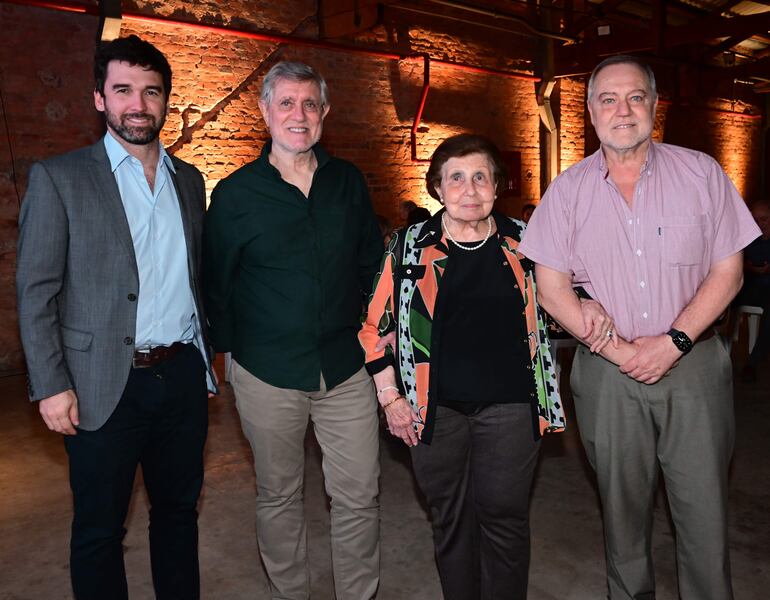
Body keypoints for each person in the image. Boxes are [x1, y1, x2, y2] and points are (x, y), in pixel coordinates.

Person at [518, 55, 761, 600]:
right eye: (608, 98)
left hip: (694, 368)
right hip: (608, 374)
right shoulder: (568, 191)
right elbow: (550, 286)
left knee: (702, 510)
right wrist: (616, 348)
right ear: (590, 111)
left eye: (635, 97)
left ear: (655, 104)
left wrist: (674, 342)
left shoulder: (702, 173)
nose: (622, 110)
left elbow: (730, 271)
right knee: (622, 512)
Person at [359, 134, 613, 600]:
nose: (469, 188)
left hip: (512, 405)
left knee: (505, 515)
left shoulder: (528, 241)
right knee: (450, 517)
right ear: (437, 187)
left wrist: (589, 301)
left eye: (481, 177)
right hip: (434, 410)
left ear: (497, 186)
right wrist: (390, 397)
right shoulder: (409, 247)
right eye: (456, 178)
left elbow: (571, 286)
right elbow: (374, 327)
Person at [16, 35, 216, 600]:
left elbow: (195, 278)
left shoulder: (189, 181)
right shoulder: (61, 178)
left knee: (179, 516)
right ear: (99, 99)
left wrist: (205, 360)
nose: (138, 104)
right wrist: (51, 385)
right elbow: (35, 290)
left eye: (151, 92)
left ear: (165, 101)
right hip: (101, 381)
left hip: (178, 376)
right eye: (123, 90)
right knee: (100, 530)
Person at [203, 61, 383, 600]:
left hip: (346, 367)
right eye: (285, 103)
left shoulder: (347, 182)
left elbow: (372, 268)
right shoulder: (235, 196)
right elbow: (217, 284)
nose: (297, 115)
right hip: (267, 371)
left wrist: (379, 347)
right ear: (264, 111)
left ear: (324, 112)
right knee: (279, 494)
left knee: (358, 495)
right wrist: (227, 359)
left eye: (309, 104)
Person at [734, 201, 770, 382]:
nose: (760, 224)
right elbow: (734, 264)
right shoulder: (748, 238)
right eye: (755, 220)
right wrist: (750, 268)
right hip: (746, 288)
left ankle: (752, 363)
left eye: (764, 219)